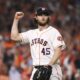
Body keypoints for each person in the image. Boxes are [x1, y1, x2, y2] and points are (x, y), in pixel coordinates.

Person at [11, 7, 66, 80]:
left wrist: (49, 65)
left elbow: (58, 51)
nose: (43, 17)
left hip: (52, 70)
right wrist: (16, 20)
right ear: (36, 17)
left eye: (45, 15)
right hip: (36, 70)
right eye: (40, 15)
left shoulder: (54, 32)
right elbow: (14, 37)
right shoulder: (31, 33)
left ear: (48, 17)